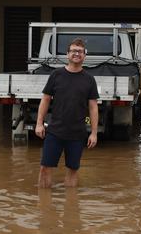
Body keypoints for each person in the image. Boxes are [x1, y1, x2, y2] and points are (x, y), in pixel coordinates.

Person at [35, 38, 99, 188]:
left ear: (84, 55)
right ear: (67, 54)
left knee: (72, 170)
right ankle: (44, 205)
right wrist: (39, 123)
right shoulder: (56, 75)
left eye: (80, 51)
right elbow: (45, 100)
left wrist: (94, 133)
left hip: (77, 134)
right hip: (55, 132)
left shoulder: (89, 80)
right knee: (45, 168)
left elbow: (93, 107)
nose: (76, 54)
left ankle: (71, 206)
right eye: (73, 51)